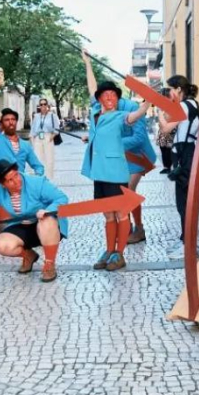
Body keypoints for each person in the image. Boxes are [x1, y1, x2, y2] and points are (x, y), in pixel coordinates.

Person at [80, 61, 152, 271]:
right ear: (100, 98)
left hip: (116, 172)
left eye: (114, 95)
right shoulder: (95, 113)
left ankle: (119, 254)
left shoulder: (120, 115)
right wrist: (87, 64)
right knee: (108, 214)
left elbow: (133, 116)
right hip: (99, 172)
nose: (110, 97)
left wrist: (146, 105)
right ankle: (109, 249)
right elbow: (92, 87)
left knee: (120, 213)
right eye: (106, 95)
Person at [0, 159, 68, 282]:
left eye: (16, 175)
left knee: (46, 221)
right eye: (10, 180)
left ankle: (49, 264)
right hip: (23, 225)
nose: (16, 181)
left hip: (47, 225)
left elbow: (61, 198)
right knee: (2, 245)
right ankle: (29, 255)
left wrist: (47, 210)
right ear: (3, 184)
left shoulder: (36, 183)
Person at [157, 75, 199, 259]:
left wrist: (159, 112)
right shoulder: (193, 104)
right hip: (188, 153)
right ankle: (185, 239)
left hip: (185, 155)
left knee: (184, 203)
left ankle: (188, 244)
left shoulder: (184, 106)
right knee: (184, 201)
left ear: (179, 90)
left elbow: (166, 128)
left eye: (171, 90)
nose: (170, 93)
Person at [0, 76, 45, 176]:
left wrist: (34, 179)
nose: (10, 122)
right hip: (1, 187)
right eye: (7, 120)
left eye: (13, 119)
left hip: (19, 188)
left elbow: (38, 166)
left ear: (16, 122)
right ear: (1, 123)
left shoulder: (25, 145)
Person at [30, 97, 60, 179]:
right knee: (38, 159)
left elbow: (57, 129)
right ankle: (39, 178)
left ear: (47, 105)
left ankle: (49, 179)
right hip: (38, 139)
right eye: (41, 104)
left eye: (44, 104)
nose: (43, 106)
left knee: (49, 160)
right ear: (39, 106)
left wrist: (51, 137)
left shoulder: (52, 116)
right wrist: (32, 142)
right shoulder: (36, 116)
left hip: (48, 137)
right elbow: (32, 130)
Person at [157, 87, 174, 174]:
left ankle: (170, 166)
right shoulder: (161, 106)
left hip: (170, 129)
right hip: (162, 131)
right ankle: (166, 167)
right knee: (163, 148)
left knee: (169, 149)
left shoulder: (173, 105)